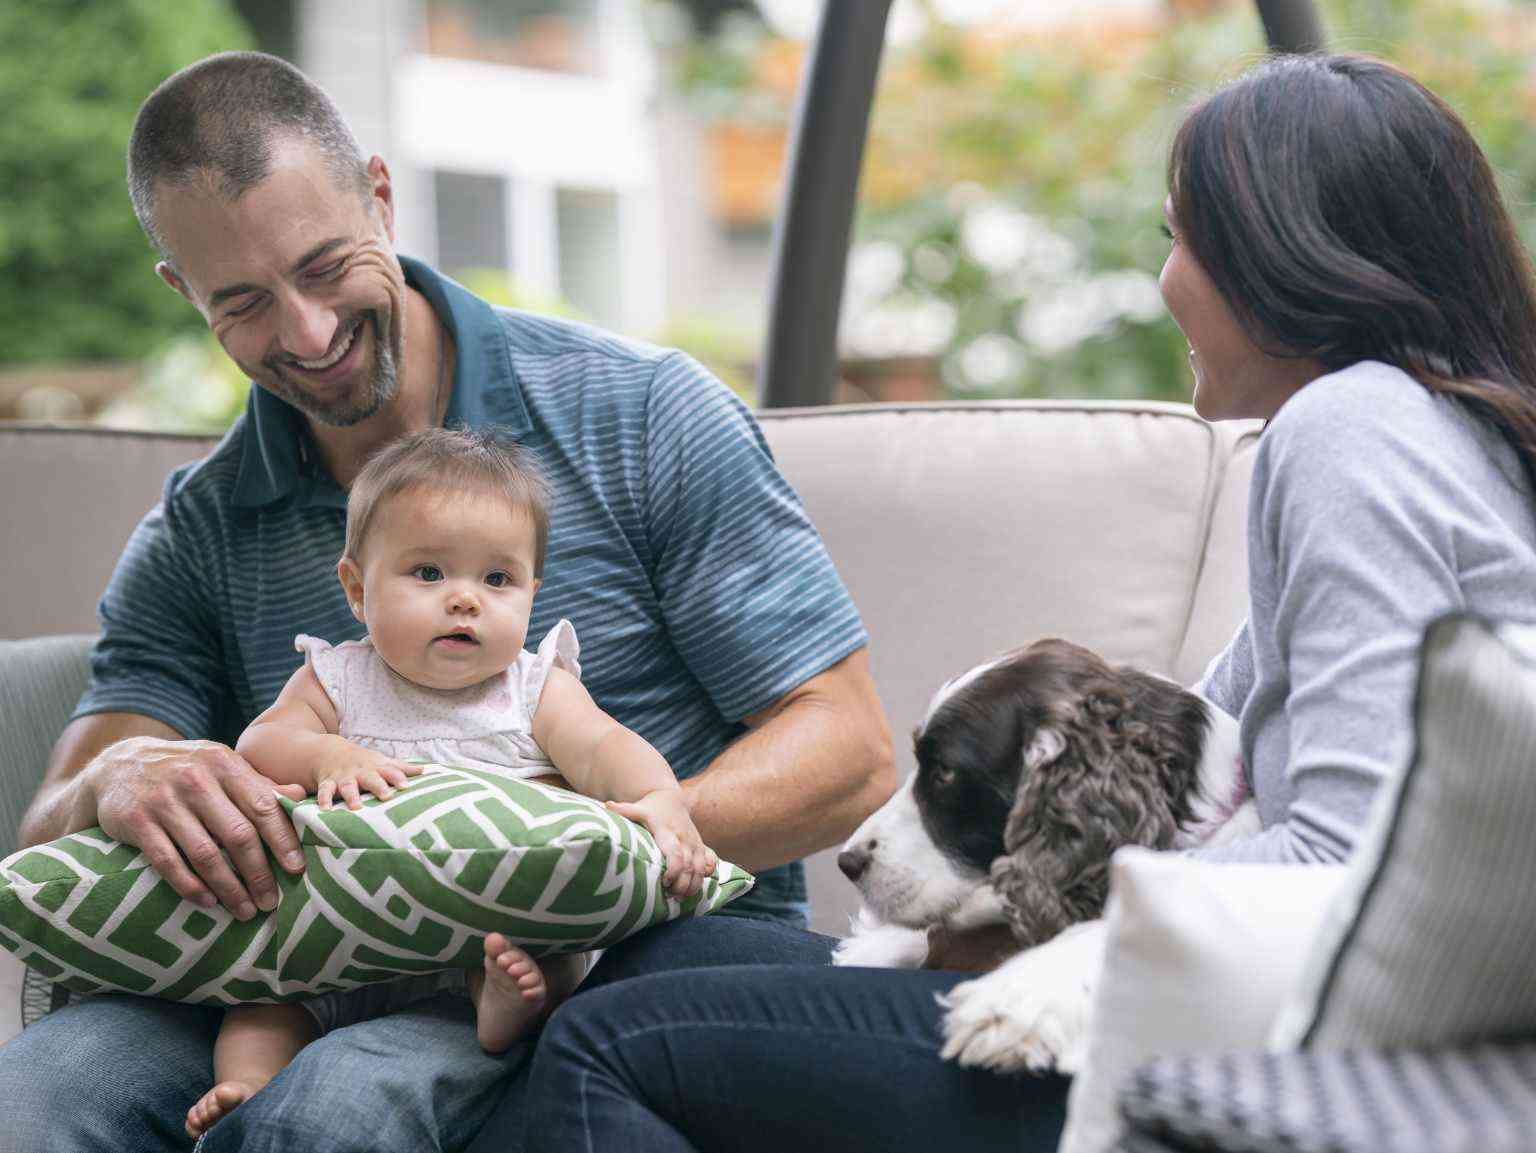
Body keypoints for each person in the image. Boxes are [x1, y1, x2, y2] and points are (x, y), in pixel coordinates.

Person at [520, 52, 1536, 1153]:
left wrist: (1056, 951)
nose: (1167, 283)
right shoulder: (1436, 434)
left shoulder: (1350, 431)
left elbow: (1350, 862)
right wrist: (1015, 895)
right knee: (672, 959)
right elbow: (1183, 752)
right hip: (1227, 999)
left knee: (606, 1041)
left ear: (1282, 263)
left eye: (1179, 242)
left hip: (1254, 1050)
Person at [0, 51, 894, 1153]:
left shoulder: (645, 415)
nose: (309, 334)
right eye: (243, 304)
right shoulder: (199, 533)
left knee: (338, 1107)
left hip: (595, 970)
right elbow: (48, 822)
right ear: (183, 294)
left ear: (380, 192)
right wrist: (124, 777)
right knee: (36, 1098)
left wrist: (543, 868)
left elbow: (850, 751)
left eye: (328, 267)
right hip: (296, 985)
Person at [185, 426, 722, 1139]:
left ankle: (503, 1011)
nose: (465, 599)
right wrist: (324, 757)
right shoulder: (339, 676)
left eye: (497, 579)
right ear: (356, 587)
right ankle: (247, 1084)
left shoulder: (533, 688)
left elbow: (603, 747)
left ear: (532, 593)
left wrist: (661, 799)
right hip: (337, 945)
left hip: (476, 945)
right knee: (262, 1005)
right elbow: (263, 742)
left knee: (541, 953)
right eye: (429, 573)